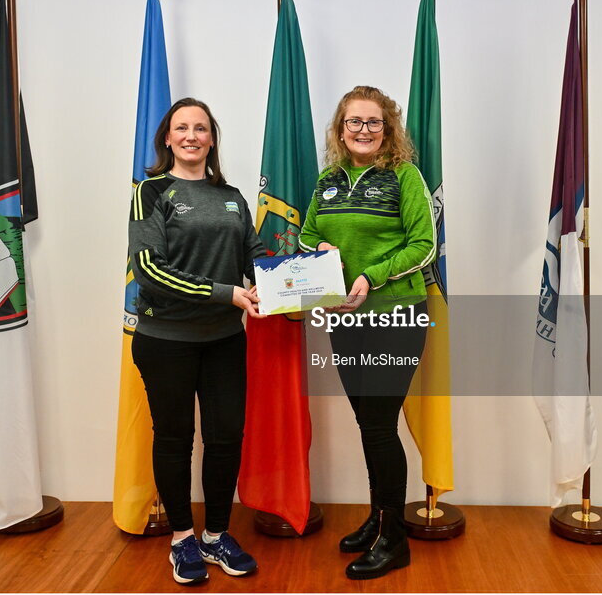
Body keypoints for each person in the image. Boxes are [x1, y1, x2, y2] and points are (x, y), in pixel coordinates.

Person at [299, 86, 436, 580]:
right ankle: (380, 519)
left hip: (394, 315)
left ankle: (394, 539)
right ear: (340, 129)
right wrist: (323, 257)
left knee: (378, 425)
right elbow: (306, 233)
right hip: (344, 316)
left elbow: (424, 246)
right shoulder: (328, 180)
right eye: (353, 122)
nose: (362, 130)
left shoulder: (404, 176)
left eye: (373, 122)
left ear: (388, 128)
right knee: (368, 423)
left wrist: (369, 276)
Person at [128, 97, 266, 585]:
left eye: (201, 128)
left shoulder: (231, 196)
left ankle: (216, 536)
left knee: (226, 437)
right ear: (167, 138)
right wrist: (224, 293)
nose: (191, 136)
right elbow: (148, 268)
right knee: (174, 438)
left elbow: (258, 257)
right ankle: (183, 538)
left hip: (225, 339)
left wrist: (312, 269)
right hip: (165, 339)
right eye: (181, 128)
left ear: (212, 138)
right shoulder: (151, 192)